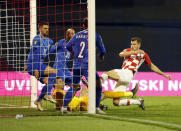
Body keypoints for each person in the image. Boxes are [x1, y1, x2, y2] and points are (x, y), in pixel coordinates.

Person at [101, 37, 172, 110]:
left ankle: (95, 85)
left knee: (106, 74)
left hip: (128, 73)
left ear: (139, 45)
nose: (132, 46)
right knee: (116, 102)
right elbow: (121, 54)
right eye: (131, 44)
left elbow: (152, 67)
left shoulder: (143, 55)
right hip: (123, 76)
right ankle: (138, 101)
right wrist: (134, 52)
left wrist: (165, 75)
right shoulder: (128, 51)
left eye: (134, 44)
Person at [61, 17, 106, 114]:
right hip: (87, 66)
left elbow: (68, 46)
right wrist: (101, 55)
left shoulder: (76, 35)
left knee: (74, 86)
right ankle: (96, 108)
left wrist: (75, 53)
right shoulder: (95, 35)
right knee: (98, 86)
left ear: (83, 25)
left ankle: (64, 108)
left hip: (76, 65)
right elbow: (103, 50)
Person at [27, 22, 58, 111]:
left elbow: (48, 51)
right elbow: (35, 54)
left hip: (39, 64)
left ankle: (38, 101)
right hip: (34, 65)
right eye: (45, 28)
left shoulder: (49, 41)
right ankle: (48, 94)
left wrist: (57, 46)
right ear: (40, 29)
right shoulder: (37, 39)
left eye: (47, 28)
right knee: (54, 72)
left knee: (48, 82)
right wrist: (35, 69)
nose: (47, 30)